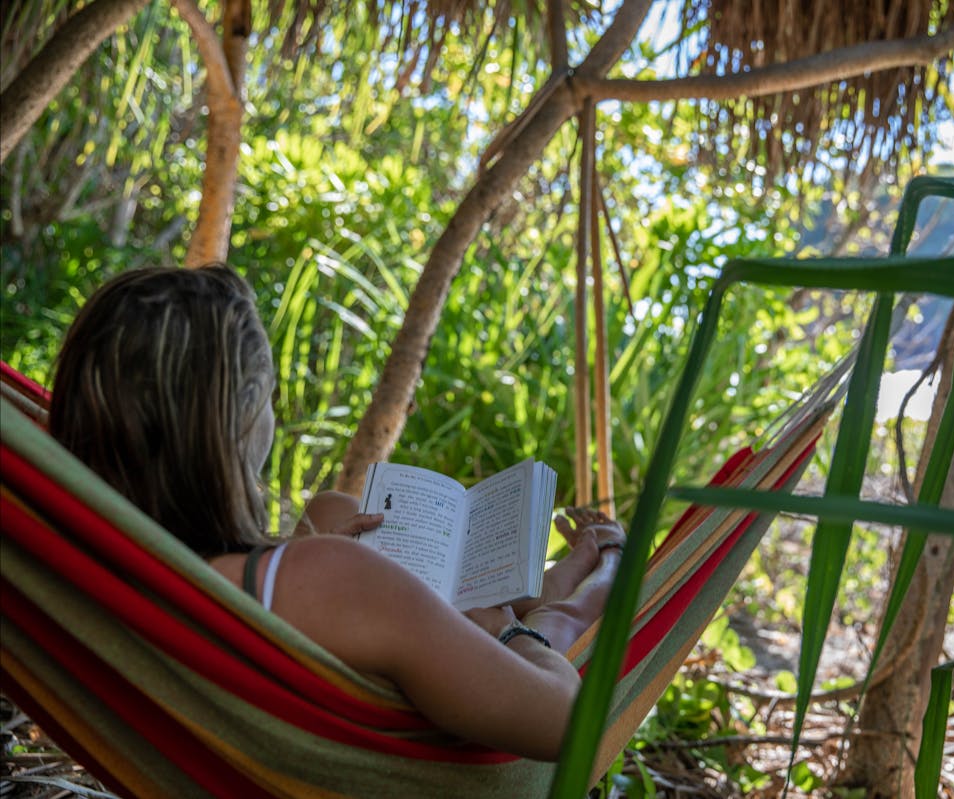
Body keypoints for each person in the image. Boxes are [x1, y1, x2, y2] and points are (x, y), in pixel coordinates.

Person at [48, 264, 625, 761]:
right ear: (240, 419)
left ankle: (588, 574)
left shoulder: (99, 566)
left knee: (333, 508)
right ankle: (607, 572)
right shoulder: (327, 576)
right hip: (448, 728)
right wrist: (508, 629)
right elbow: (576, 729)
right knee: (536, 619)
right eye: (268, 396)